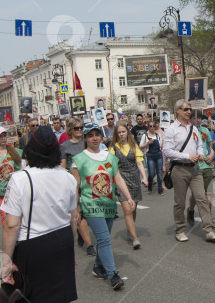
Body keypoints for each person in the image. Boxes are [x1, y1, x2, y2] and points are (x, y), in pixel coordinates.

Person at [1, 125, 79, 303]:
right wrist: (71, 248)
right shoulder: (67, 176)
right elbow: (73, 216)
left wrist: (6, 261)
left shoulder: (20, 178)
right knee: (57, 302)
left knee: (15, 297)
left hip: (31, 243)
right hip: (62, 240)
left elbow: (12, 223)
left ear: (30, 151)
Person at [71, 122, 135, 290]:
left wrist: (129, 197)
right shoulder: (78, 160)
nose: (94, 138)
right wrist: (75, 209)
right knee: (105, 239)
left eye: (97, 135)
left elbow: (118, 178)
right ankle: (113, 274)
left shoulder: (110, 157)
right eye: (90, 135)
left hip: (108, 204)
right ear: (85, 138)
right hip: (90, 205)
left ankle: (98, 267)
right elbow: (75, 186)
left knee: (103, 238)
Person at [163, 100, 215, 243]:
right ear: (178, 111)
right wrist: (187, 156)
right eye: (185, 109)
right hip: (179, 169)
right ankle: (180, 230)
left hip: (195, 169)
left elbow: (200, 145)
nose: (189, 112)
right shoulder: (171, 129)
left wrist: (200, 154)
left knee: (201, 198)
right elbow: (167, 151)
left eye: (190, 109)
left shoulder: (194, 128)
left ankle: (209, 230)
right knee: (180, 202)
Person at [59, 117, 95, 257]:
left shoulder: (87, 143)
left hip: (89, 181)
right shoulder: (65, 146)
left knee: (89, 211)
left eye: (81, 127)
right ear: (70, 130)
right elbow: (63, 166)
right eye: (76, 128)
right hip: (73, 182)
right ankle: (89, 245)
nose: (79, 130)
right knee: (79, 213)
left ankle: (82, 232)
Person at [111, 122, 148, 250]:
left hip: (134, 180)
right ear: (116, 134)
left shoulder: (134, 146)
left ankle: (130, 229)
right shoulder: (113, 148)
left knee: (133, 209)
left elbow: (139, 164)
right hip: (121, 181)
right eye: (119, 132)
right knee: (127, 210)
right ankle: (134, 238)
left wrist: (144, 177)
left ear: (127, 132)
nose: (121, 134)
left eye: (123, 131)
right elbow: (110, 166)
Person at [0, 126, 23, 227]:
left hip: (13, 189)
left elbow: (20, 169)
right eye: (0, 136)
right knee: (5, 215)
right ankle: (8, 235)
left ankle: (16, 237)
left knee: (17, 215)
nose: (3, 138)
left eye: (4, 136)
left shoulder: (14, 151)